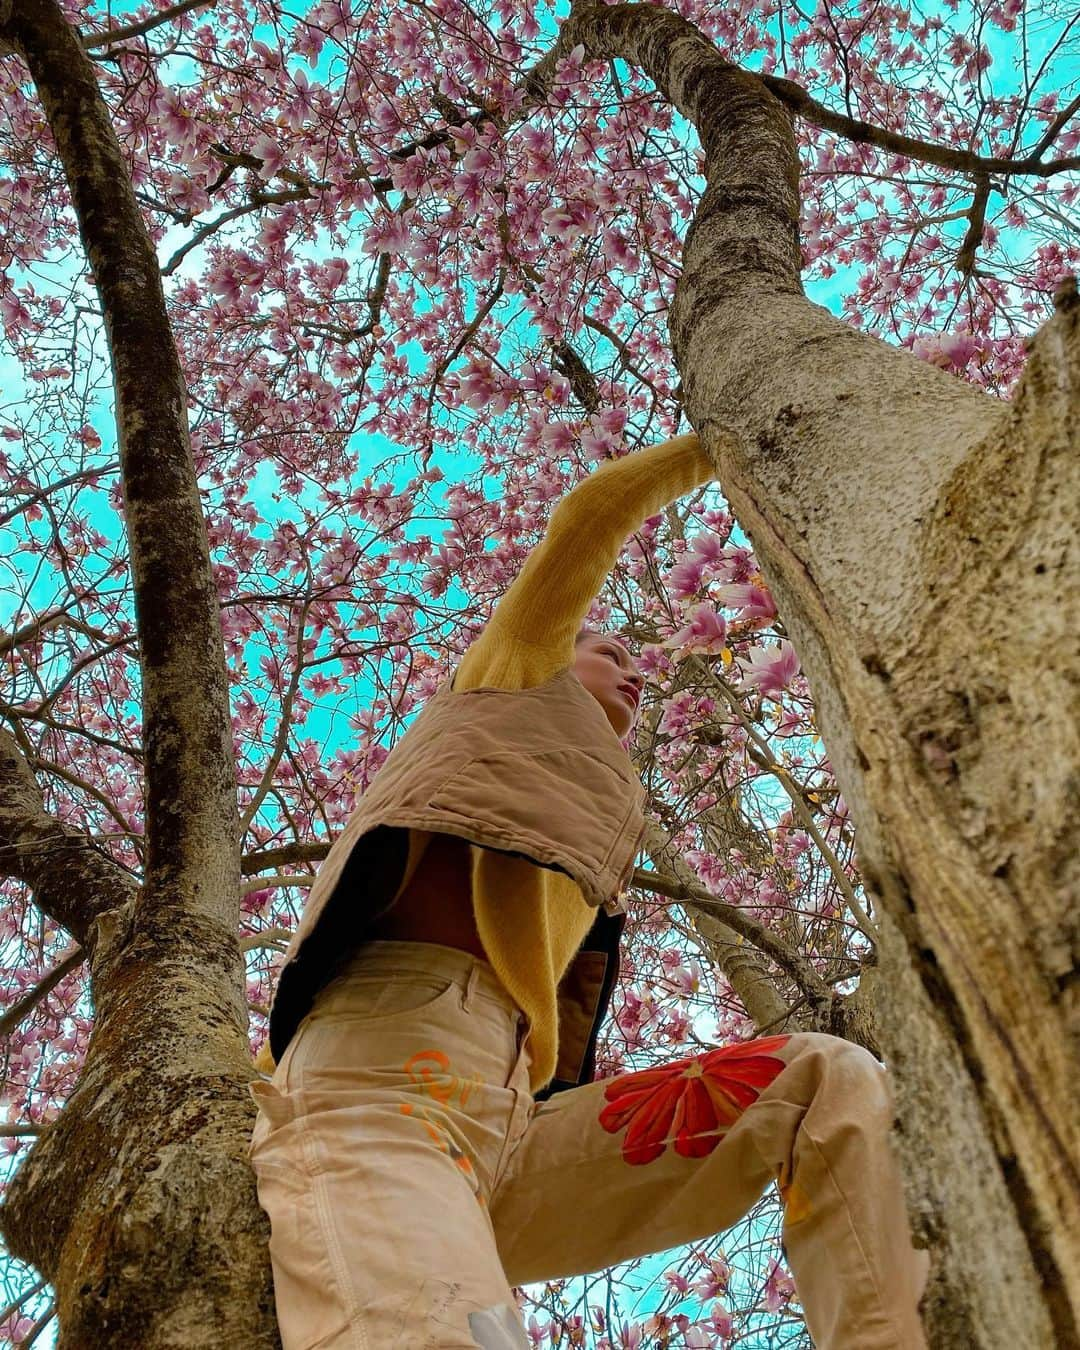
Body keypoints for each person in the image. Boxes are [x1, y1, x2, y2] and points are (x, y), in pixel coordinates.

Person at [247, 431, 930, 1349]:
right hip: (376, 1088)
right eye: (608, 647)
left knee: (821, 1075)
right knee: (460, 1336)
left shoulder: (593, 797)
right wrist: (736, 440)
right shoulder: (508, 674)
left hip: (517, 1127)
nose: (637, 666)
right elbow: (594, 514)